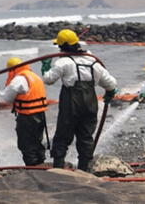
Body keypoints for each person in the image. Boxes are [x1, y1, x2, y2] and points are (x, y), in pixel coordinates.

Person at [41, 29, 118, 171]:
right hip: (90, 103)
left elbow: (48, 79)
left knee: (63, 136)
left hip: (71, 103)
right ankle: (84, 169)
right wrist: (110, 93)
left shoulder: (63, 62)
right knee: (86, 136)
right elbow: (111, 84)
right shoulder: (93, 61)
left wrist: (45, 66)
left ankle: (58, 168)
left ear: (63, 46)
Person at [0, 57, 48, 166]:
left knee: (26, 145)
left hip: (28, 116)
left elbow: (6, 98)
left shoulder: (19, 79)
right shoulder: (34, 76)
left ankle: (32, 168)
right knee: (37, 142)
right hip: (40, 114)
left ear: (12, 69)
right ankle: (41, 165)